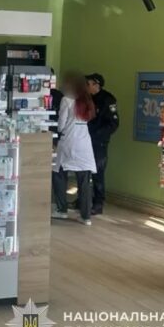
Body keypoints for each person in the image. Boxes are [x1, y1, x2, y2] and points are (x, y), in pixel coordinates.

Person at [52, 72, 97, 226]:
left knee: (59, 173)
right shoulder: (87, 100)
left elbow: (61, 123)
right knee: (84, 180)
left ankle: (62, 209)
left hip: (69, 140)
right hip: (84, 141)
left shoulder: (67, 100)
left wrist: (57, 131)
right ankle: (86, 216)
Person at [86, 73, 119, 215]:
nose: (86, 87)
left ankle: (98, 203)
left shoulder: (107, 99)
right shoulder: (87, 98)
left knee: (98, 173)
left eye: (88, 84)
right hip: (84, 140)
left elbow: (113, 123)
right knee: (84, 171)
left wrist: (98, 135)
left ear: (96, 85)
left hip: (98, 142)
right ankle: (83, 200)